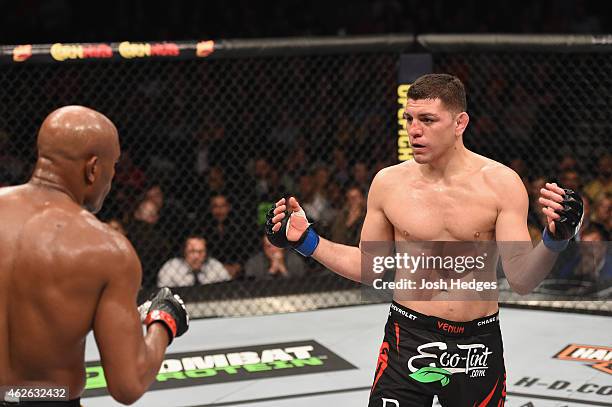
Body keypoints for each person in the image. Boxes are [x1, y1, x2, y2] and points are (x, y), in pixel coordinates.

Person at [265, 74, 584, 407]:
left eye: (428, 120)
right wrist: (306, 241)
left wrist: (554, 239)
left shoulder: (501, 184)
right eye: (409, 119)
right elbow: (369, 267)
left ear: (460, 122)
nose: (414, 130)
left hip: (476, 346)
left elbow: (520, 278)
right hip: (408, 334)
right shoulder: (389, 184)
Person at [0, 106, 189, 406]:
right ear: (93, 169)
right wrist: (164, 321)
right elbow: (128, 384)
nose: (112, 180)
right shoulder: (106, 250)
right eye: (113, 167)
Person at [158, 235, 232, 287]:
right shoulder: (171, 268)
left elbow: (229, 287)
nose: (196, 256)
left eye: (200, 252)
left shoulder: (215, 266)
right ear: (184, 252)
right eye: (191, 251)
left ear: (206, 253)